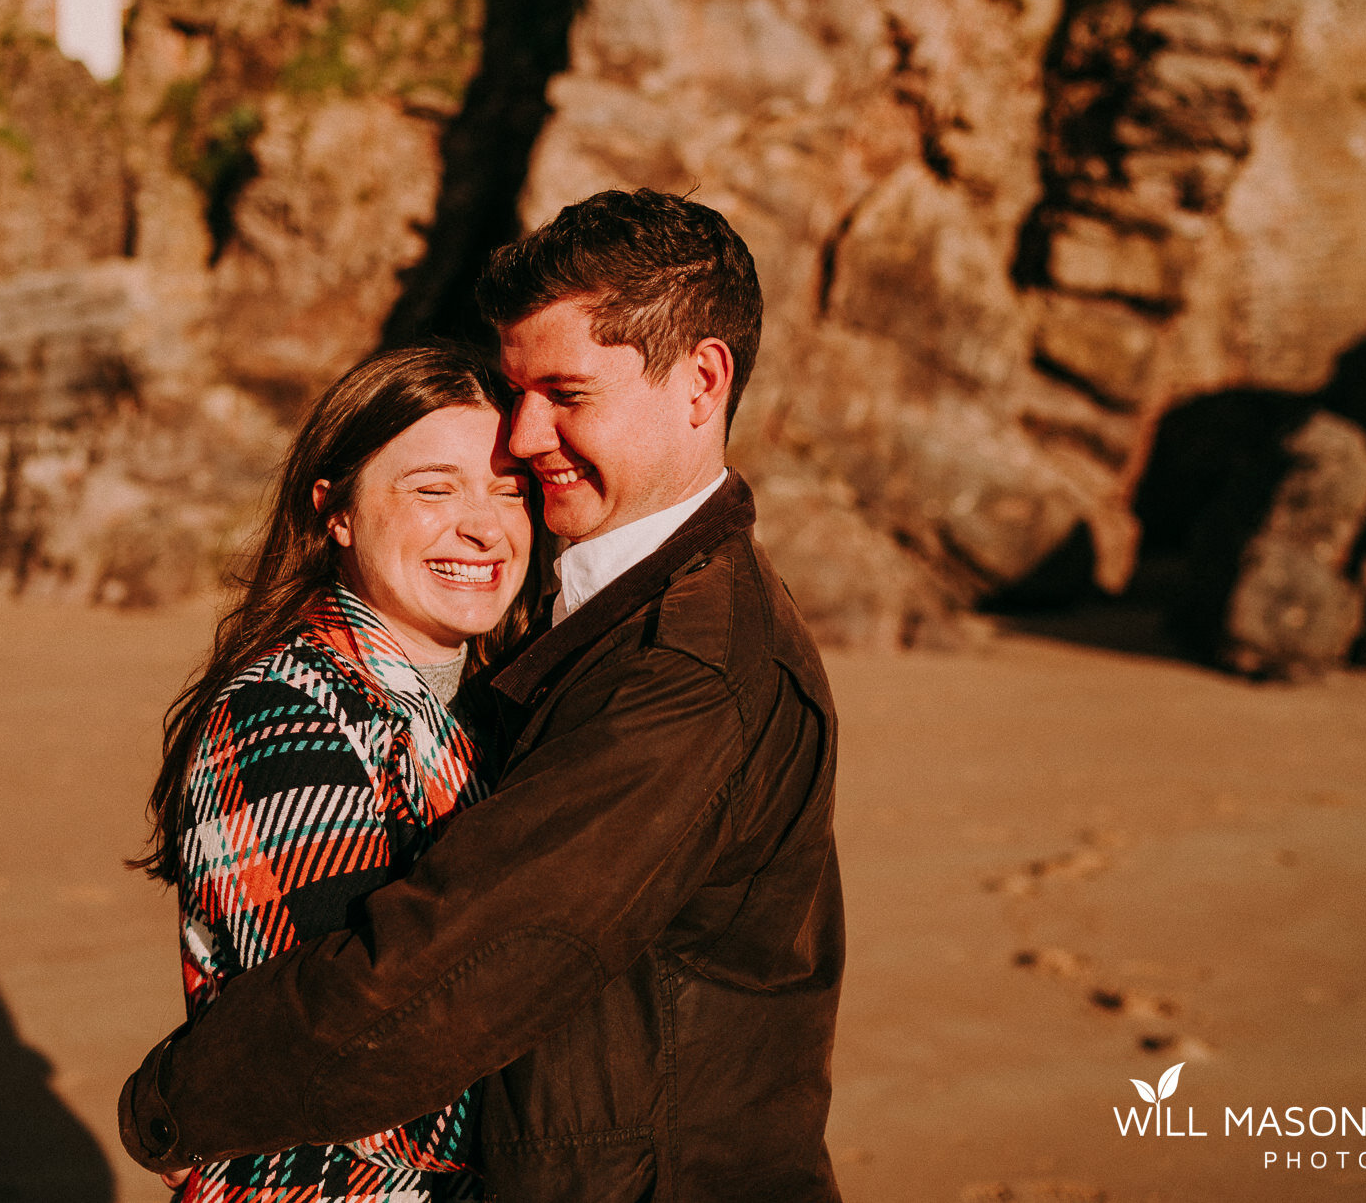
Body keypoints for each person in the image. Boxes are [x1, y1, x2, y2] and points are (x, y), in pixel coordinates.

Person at [121, 190, 844, 1202]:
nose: (525, 434)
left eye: (565, 392)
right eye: (516, 393)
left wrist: (170, 1100)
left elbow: (472, 963)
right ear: (331, 511)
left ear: (699, 382)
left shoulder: (682, 661)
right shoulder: (588, 631)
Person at [128, 344, 548, 1201]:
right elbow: (357, 1055)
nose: (484, 524)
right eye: (434, 487)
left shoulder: (495, 710)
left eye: (510, 488)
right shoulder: (285, 715)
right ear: (336, 510)